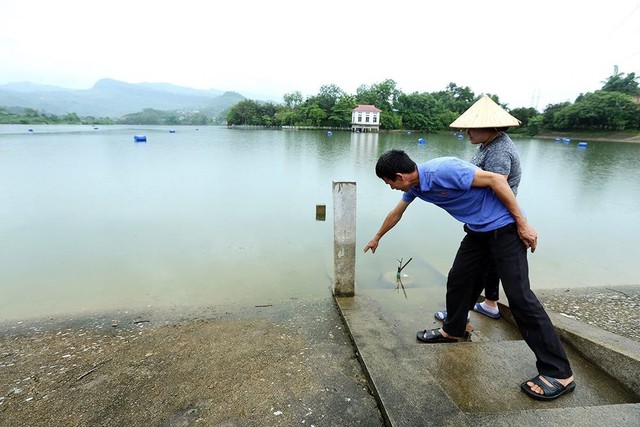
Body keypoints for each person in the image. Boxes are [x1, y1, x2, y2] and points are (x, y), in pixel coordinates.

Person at [363, 149, 576, 401]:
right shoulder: (416, 186)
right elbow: (396, 212)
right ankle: (453, 330)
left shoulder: (445, 169)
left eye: (389, 183)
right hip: (478, 232)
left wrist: (523, 224)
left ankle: (560, 372)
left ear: (399, 176)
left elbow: (497, 180)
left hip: (505, 228)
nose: (391, 188)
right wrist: (377, 236)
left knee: (520, 298)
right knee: (458, 280)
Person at [435, 95, 522, 322]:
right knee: (482, 267)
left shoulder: (499, 151)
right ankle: (480, 307)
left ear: (489, 127)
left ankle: (460, 316)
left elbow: (498, 186)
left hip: (494, 219)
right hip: (487, 219)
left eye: (472, 128)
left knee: (466, 273)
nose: (467, 133)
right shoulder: (488, 144)